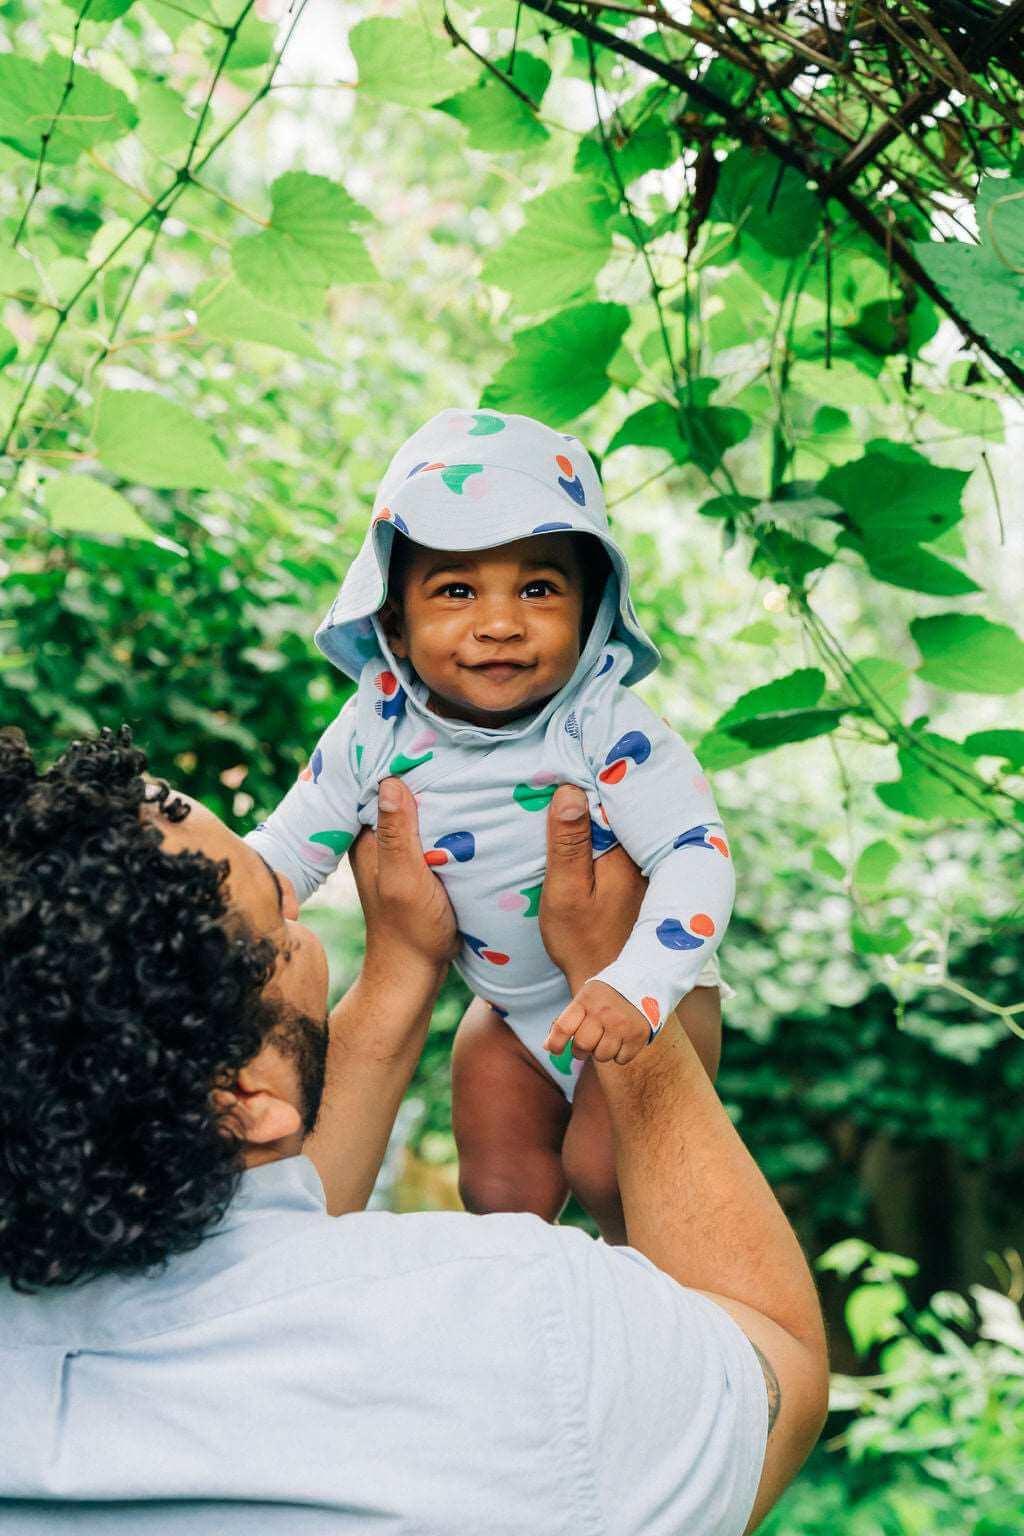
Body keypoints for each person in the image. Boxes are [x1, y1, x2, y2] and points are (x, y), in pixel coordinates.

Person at [0, 726, 827, 1533]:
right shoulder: (522, 1324)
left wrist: (402, 965)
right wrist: (618, 977)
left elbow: (256, 1248)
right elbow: (774, 1359)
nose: (296, 898)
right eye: (275, 906)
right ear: (241, 1104)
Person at [247, 407, 736, 1239]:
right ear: (392, 619)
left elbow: (698, 853)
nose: (500, 622)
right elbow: (284, 854)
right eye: (457, 589)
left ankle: (648, 1293)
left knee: (606, 1171)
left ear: (593, 610)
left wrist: (641, 983)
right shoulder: (375, 728)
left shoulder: (604, 724)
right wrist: (215, 907)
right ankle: (524, 1297)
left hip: (645, 996)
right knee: (498, 1183)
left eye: (539, 588)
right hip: (511, 1013)